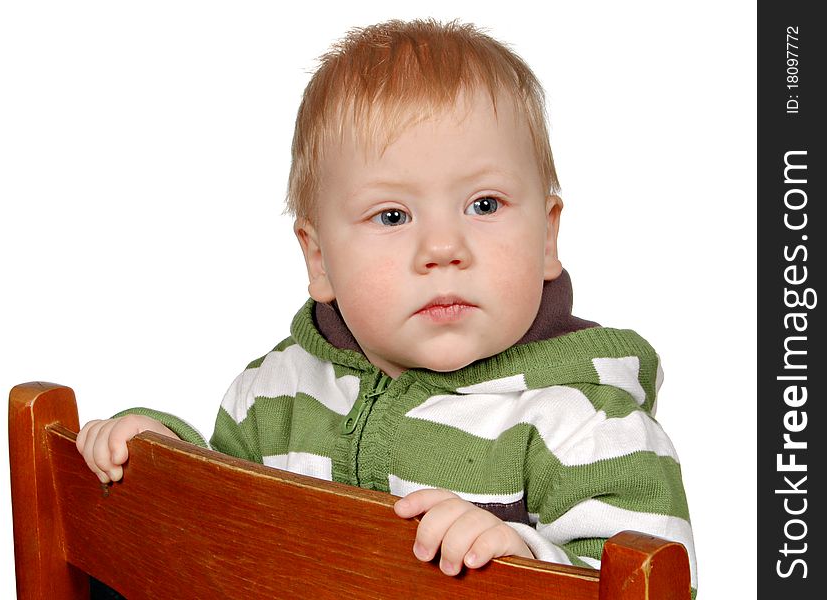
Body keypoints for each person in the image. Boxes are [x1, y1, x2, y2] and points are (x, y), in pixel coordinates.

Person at [76, 18, 697, 594]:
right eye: (392, 215)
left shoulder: (586, 422)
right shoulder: (276, 394)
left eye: (484, 205)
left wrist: (521, 558)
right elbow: (222, 524)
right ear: (319, 259)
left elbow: (652, 582)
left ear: (547, 238)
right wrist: (161, 456)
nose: (444, 248)